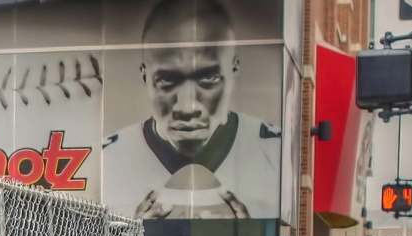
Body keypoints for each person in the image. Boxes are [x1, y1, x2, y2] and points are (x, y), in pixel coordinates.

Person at [101, 0, 281, 221]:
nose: (188, 107)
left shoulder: (275, 153)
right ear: (145, 76)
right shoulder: (106, 160)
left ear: (233, 71)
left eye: (209, 78)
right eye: (167, 80)